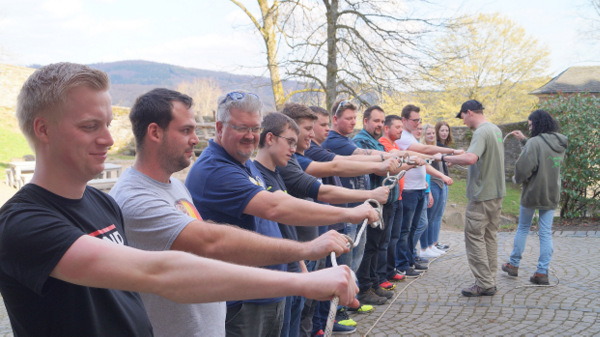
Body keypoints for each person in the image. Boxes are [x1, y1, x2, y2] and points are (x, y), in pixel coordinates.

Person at [0, 63, 359, 336]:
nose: (109, 140)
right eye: (90, 126)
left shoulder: (103, 204)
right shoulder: (21, 223)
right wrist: (304, 276)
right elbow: (160, 270)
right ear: (43, 129)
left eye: (109, 124)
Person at [110, 88, 356, 336]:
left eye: (255, 128)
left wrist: (300, 268)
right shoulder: (139, 196)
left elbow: (276, 207)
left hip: (243, 306)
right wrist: (309, 251)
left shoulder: (177, 185)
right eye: (186, 130)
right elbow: (211, 240)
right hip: (241, 308)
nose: (195, 139)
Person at [185, 91, 377, 336]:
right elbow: (277, 207)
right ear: (220, 127)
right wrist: (349, 215)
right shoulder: (216, 169)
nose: (250, 136)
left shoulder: (242, 165)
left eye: (254, 128)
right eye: (242, 127)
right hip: (243, 300)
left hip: (266, 292)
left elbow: (276, 216)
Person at [433, 99, 506, 297]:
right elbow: (481, 159)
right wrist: (460, 159)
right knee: (489, 236)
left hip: (482, 195)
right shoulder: (495, 130)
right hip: (497, 194)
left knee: (474, 237)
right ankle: (489, 279)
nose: (463, 121)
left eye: (462, 116)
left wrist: (443, 158)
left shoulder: (481, 132)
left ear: (469, 112)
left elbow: (471, 158)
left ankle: (484, 283)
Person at [501, 110, 567, 285]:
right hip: (551, 192)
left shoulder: (535, 142)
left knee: (523, 227)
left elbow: (524, 166)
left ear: (538, 124)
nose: (530, 128)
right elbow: (542, 153)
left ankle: (513, 265)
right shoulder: (559, 142)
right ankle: (542, 272)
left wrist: (517, 178)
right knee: (545, 233)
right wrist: (524, 140)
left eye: (531, 125)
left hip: (533, 193)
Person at [395, 105, 453, 278]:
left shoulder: (412, 137)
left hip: (420, 188)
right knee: (407, 229)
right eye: (415, 120)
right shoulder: (405, 138)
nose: (417, 124)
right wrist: (450, 151)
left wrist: (439, 177)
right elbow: (428, 151)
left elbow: (425, 163)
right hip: (409, 190)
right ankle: (403, 263)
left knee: (415, 227)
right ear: (404, 120)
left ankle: (410, 258)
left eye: (419, 120)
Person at [352, 105, 402, 305]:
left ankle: (373, 283)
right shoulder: (361, 141)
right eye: (376, 121)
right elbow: (381, 169)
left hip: (385, 202)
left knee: (378, 245)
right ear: (365, 121)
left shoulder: (375, 142)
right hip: (373, 203)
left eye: (382, 121)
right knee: (370, 246)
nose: (380, 125)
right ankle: (364, 289)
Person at [377, 115, 408, 287]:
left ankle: (390, 269)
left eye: (401, 127)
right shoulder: (385, 143)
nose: (400, 130)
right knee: (385, 240)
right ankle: (382, 276)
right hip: (389, 198)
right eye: (397, 127)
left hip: (398, 197)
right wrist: (413, 162)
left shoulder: (395, 144)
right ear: (387, 129)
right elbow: (395, 163)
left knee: (394, 237)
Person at [419, 124, 448, 259]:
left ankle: (431, 245)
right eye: (428, 133)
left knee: (434, 217)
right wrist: (429, 190)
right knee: (428, 218)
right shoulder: (424, 151)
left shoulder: (437, 148)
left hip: (440, 184)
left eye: (432, 133)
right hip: (433, 184)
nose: (431, 136)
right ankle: (425, 247)